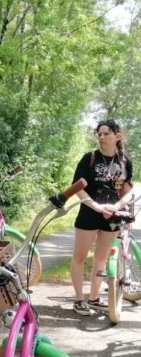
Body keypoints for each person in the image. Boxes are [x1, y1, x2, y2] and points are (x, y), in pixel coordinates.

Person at [71, 119, 133, 316]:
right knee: (80, 257)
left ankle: (94, 298)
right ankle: (79, 300)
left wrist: (117, 206)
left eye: (106, 133)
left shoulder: (125, 162)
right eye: (99, 134)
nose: (102, 137)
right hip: (89, 213)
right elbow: (78, 189)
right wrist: (96, 206)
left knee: (101, 259)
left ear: (118, 136)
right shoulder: (89, 158)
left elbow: (128, 192)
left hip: (112, 216)